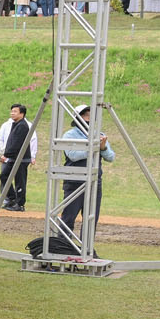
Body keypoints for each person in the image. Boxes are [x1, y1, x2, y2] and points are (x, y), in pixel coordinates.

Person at [56, 103, 115, 246]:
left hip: (94, 181)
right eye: (85, 115)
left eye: (90, 115)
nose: (88, 118)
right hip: (74, 180)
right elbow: (72, 155)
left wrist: (103, 148)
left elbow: (110, 157)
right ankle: (62, 247)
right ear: (77, 117)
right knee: (68, 217)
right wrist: (94, 149)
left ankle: (87, 249)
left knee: (91, 218)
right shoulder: (69, 135)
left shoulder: (99, 135)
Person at [0, 104, 31, 211]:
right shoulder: (15, 124)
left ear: (22, 114)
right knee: (4, 176)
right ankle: (12, 198)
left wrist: (6, 155)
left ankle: (20, 204)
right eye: (11, 111)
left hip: (21, 159)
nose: (12, 113)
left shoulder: (22, 126)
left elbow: (16, 143)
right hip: (13, 158)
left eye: (15, 111)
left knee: (20, 181)